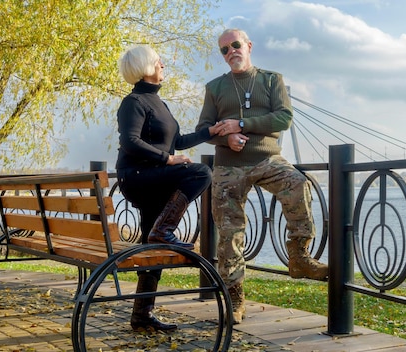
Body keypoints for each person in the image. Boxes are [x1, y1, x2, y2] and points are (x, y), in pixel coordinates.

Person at [195, 28, 328, 324]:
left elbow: (284, 117)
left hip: (267, 159)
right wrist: (225, 139)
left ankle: (299, 257)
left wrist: (241, 123)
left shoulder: (271, 80)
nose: (231, 53)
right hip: (228, 165)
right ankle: (234, 298)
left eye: (236, 46)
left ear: (249, 46)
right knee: (229, 233)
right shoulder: (215, 87)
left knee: (298, 184)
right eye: (224, 50)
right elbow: (204, 128)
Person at [115, 45, 222, 332]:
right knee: (201, 172)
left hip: (154, 178)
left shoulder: (158, 103)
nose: (163, 64)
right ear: (145, 67)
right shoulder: (134, 101)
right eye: (158, 61)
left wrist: (208, 132)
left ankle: (141, 315)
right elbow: (130, 141)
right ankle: (163, 231)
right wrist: (168, 159)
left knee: (153, 249)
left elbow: (178, 141)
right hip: (137, 177)